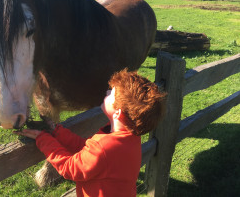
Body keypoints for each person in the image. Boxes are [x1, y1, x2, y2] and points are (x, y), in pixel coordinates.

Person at [14, 69, 167, 197]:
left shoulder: (106, 147)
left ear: (118, 113)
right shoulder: (130, 136)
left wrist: (43, 139)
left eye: (111, 94)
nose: (106, 92)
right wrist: (57, 131)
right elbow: (85, 150)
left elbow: (70, 168)